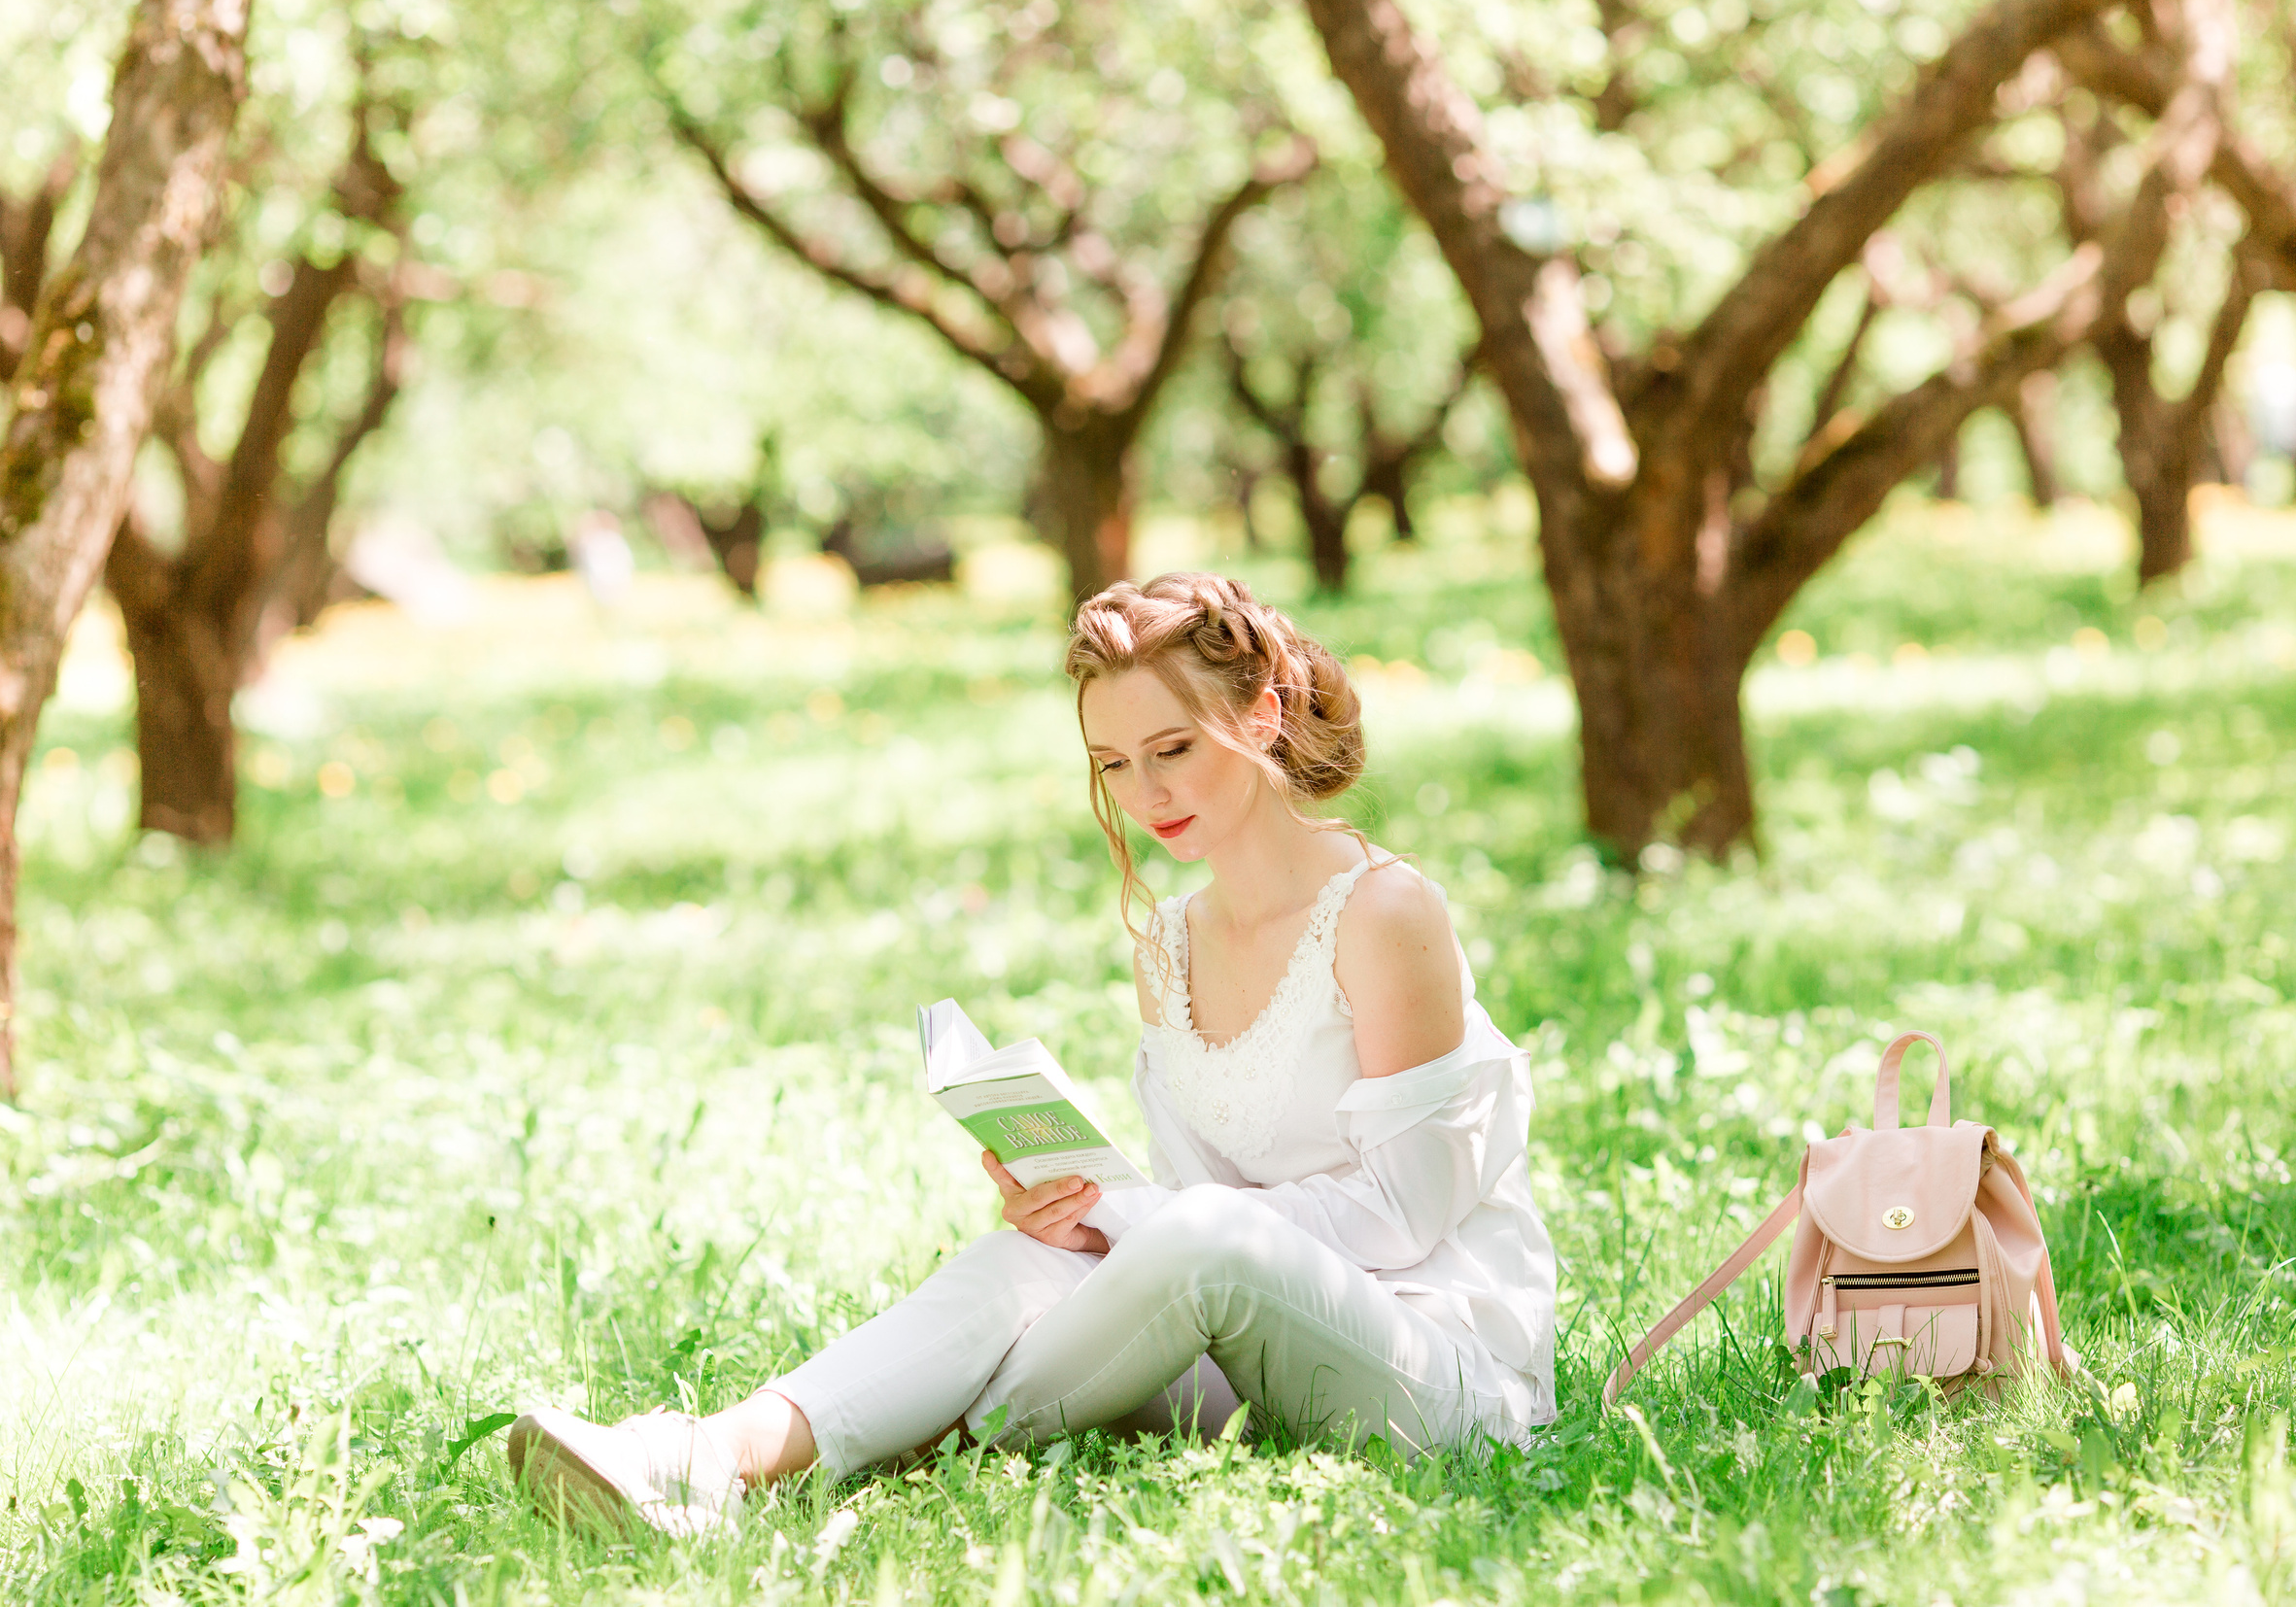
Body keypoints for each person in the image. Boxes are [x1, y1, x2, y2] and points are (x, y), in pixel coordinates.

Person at [507, 572, 1559, 1536]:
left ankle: (889, 1447)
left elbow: (1403, 1215)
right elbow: (1198, 1222)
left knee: (1196, 1241)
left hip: (1440, 1374)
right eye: (1112, 763)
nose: (1145, 794)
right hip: (1251, 1350)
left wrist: (1150, 1221)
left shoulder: (1382, 911)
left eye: (1174, 748)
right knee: (1032, 1257)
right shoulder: (1170, 945)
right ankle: (708, 1456)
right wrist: (1089, 1213)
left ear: (1260, 715)